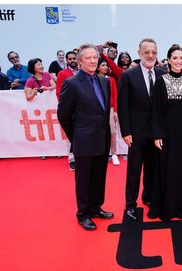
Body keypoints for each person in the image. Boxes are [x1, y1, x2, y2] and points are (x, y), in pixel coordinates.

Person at [57, 43, 114, 231]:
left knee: (99, 176)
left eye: (94, 57)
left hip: (102, 138)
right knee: (83, 180)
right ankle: (83, 214)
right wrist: (76, 136)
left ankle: (96, 207)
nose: (92, 61)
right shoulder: (71, 84)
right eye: (87, 58)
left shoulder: (104, 81)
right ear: (80, 61)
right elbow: (63, 115)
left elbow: (103, 111)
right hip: (83, 139)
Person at [147, 44, 182, 221]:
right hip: (166, 133)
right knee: (167, 167)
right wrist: (157, 134)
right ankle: (168, 205)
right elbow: (156, 110)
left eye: (181, 58)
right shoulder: (161, 82)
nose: (179, 61)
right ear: (168, 60)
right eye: (175, 58)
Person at [118, 38, 166, 222]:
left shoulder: (162, 73)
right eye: (147, 52)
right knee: (134, 171)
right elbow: (123, 106)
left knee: (153, 169)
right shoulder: (128, 76)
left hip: (156, 134)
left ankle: (148, 198)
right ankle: (130, 205)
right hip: (136, 133)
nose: (151, 55)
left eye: (154, 52)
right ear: (139, 53)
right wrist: (126, 132)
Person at [56, 50, 79, 171]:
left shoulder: (83, 71)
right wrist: (66, 108)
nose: (72, 61)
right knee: (71, 135)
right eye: (70, 59)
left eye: (74, 58)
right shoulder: (62, 74)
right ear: (66, 60)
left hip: (83, 110)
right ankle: (72, 159)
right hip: (70, 110)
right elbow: (59, 92)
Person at [96, 58, 120, 166]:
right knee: (99, 132)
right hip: (96, 109)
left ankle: (114, 154)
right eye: (102, 66)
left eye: (106, 65)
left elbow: (114, 96)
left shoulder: (111, 80)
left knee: (112, 132)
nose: (105, 67)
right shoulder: (94, 79)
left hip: (109, 108)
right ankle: (102, 154)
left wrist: (115, 111)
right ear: (97, 67)